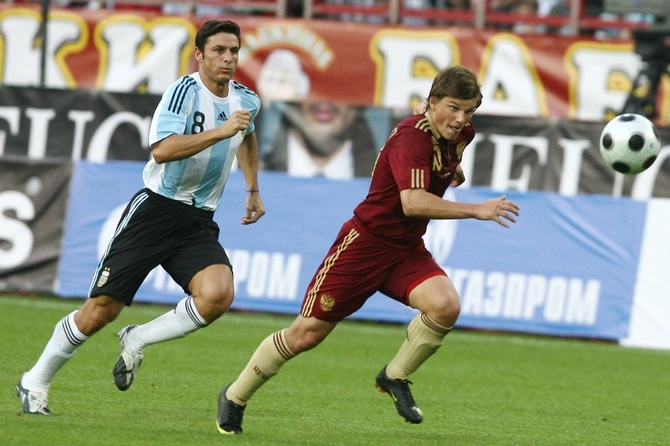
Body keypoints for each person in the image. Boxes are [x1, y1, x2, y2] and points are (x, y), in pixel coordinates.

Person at [215, 65, 520, 435]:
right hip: (363, 246)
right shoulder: (411, 137)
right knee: (305, 334)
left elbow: (440, 157)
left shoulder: (461, 133)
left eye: (468, 111)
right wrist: (476, 210)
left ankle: (395, 376)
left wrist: (451, 170)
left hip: (405, 249)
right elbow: (412, 202)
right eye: (453, 108)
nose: (461, 119)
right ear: (432, 102)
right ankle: (235, 395)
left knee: (445, 305)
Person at [16, 19, 265, 415]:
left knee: (218, 295)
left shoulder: (246, 100)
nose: (228, 58)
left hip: (197, 220)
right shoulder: (182, 93)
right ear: (199, 55)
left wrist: (252, 188)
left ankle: (138, 338)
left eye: (233, 51)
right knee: (100, 310)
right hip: (156, 211)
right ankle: (35, 379)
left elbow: (247, 135)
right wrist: (220, 132)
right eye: (219, 50)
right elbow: (162, 150)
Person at [261, 101, 379, 179]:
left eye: (340, 82)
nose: (324, 102)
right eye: (314, 80)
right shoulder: (253, 174)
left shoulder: (385, 185)